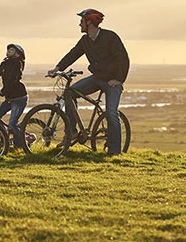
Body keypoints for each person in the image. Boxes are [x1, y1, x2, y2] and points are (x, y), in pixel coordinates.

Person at [47, 9, 129, 155]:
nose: (80, 24)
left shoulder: (110, 37)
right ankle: (71, 132)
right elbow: (73, 54)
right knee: (69, 93)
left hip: (112, 81)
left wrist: (118, 79)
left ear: (90, 22)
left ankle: (115, 152)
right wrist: (57, 68)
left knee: (111, 113)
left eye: (82, 21)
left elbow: (123, 59)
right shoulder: (85, 40)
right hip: (96, 78)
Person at [0, 44, 28, 148]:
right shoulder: (5, 63)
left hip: (19, 98)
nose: (8, 51)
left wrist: (2, 91)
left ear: (18, 54)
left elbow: (12, 79)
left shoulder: (17, 64)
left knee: (12, 123)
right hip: (9, 98)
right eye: (8, 50)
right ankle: (4, 139)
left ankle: (20, 146)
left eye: (11, 50)